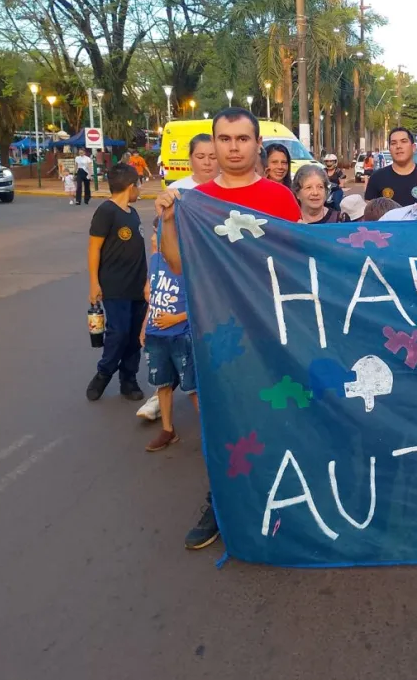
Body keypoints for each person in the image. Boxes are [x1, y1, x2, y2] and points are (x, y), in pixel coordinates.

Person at [154, 107, 300, 551]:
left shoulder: (279, 198)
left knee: (279, 416)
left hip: (273, 331)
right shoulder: (193, 201)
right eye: (224, 138)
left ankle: (284, 500)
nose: (233, 147)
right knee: (225, 418)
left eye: (242, 138)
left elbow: (298, 263)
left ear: (257, 144)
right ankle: (221, 502)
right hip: (220, 332)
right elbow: (179, 266)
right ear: (212, 145)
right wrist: (165, 222)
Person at [137, 133, 218, 422]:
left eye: (212, 156)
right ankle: (166, 405)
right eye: (201, 156)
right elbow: (160, 234)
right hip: (183, 276)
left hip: (218, 280)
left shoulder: (225, 190)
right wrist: (154, 278)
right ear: (190, 159)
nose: (207, 162)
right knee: (183, 352)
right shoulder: (178, 191)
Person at [86, 164, 148, 402]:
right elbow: (94, 248)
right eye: (138, 184)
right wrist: (94, 283)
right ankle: (104, 373)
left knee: (134, 337)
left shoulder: (132, 213)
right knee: (118, 333)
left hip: (137, 287)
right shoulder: (106, 211)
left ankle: (128, 380)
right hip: (114, 286)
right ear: (131, 186)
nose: (139, 189)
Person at [140, 219, 198, 452]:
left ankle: (212, 432)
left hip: (180, 335)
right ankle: (167, 429)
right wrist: (145, 325)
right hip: (156, 335)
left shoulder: (188, 266)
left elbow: (200, 303)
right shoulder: (154, 261)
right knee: (162, 384)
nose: (154, 238)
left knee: (192, 387)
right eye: (154, 233)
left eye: (159, 233)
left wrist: (176, 319)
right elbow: (153, 298)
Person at [365, 127, 417, 205]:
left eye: (403, 141)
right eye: (393, 143)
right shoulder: (377, 177)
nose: (398, 146)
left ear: (413, 147)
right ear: (389, 149)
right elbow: (370, 211)